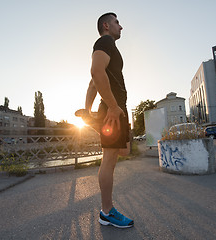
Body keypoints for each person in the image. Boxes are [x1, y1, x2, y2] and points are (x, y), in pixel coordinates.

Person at [85, 12, 134, 228]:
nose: (120, 26)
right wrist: (112, 107)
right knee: (110, 159)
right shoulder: (104, 41)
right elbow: (95, 72)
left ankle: (96, 123)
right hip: (112, 109)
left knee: (124, 151)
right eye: (117, 22)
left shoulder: (109, 46)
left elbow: (93, 84)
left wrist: (87, 111)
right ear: (106, 25)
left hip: (116, 109)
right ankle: (106, 212)